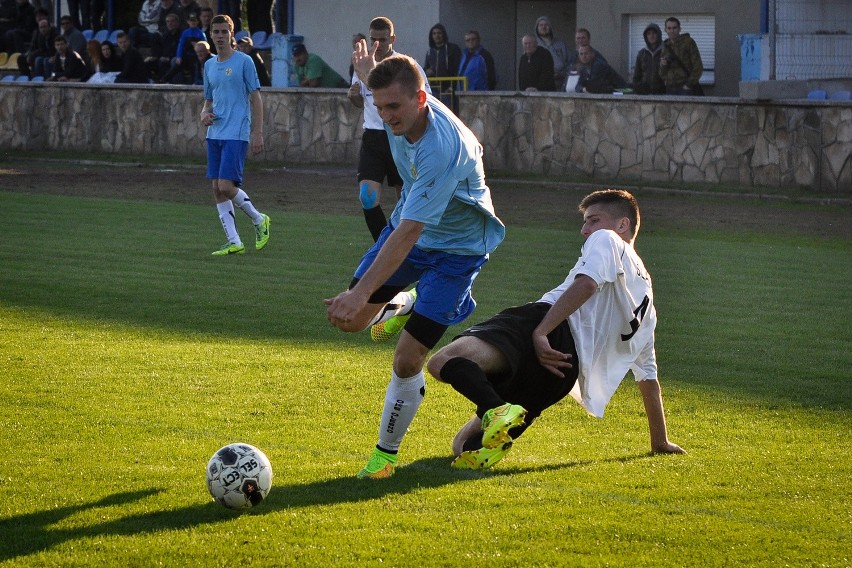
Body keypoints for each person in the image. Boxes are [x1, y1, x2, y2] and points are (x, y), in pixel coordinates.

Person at [325, 52, 505, 480]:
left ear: (421, 99)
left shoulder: (442, 148)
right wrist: (371, 67)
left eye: (394, 107)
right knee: (351, 323)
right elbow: (406, 232)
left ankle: (385, 457)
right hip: (413, 226)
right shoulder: (398, 101)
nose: (386, 116)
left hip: (458, 251)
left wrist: (360, 292)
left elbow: (407, 235)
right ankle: (413, 302)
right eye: (380, 106)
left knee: (407, 361)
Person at [427, 189, 686, 470]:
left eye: (593, 220)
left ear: (622, 225)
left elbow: (586, 284)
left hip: (545, 327)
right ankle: (498, 411)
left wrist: (541, 332)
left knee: (443, 361)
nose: (585, 230)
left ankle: (496, 409)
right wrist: (660, 441)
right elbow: (648, 379)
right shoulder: (647, 309)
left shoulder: (608, 239)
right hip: (562, 373)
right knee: (462, 447)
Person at [348, 16, 431, 242]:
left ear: (392, 38)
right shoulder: (363, 64)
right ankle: (383, 246)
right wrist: (353, 96)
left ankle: (410, 246)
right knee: (367, 197)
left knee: (404, 199)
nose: (377, 45)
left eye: (382, 40)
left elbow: (427, 101)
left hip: (401, 137)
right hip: (373, 137)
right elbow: (360, 102)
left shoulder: (406, 67)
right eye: (373, 39)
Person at [200, 14, 270, 256]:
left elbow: (256, 98)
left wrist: (258, 132)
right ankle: (234, 241)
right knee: (217, 188)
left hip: (236, 132)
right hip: (215, 132)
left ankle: (259, 219)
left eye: (223, 32)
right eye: (215, 32)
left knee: (227, 186)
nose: (219, 36)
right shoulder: (208, 65)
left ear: (232, 34)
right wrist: (203, 114)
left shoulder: (244, 62)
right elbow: (208, 99)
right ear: (210, 35)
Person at [659, 16, 704, 96]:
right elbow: (662, 73)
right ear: (665, 30)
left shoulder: (688, 42)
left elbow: (698, 66)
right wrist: (663, 65)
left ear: (679, 29)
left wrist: (688, 85)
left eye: (674, 28)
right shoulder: (665, 46)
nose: (672, 31)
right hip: (670, 89)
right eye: (669, 28)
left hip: (686, 89)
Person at [159, 12, 205, 84]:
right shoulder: (185, 33)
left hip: (196, 56)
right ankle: (166, 79)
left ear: (197, 22)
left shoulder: (200, 33)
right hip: (186, 55)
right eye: (191, 21)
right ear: (188, 22)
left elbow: (205, 45)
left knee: (195, 67)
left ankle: (195, 81)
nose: (192, 23)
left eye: (194, 21)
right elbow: (181, 45)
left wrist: (198, 47)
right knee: (177, 66)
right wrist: (179, 56)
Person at [423, 23, 461, 105]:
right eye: (434, 33)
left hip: (449, 89)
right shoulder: (430, 52)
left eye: (439, 33)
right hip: (434, 90)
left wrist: (452, 87)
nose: (437, 36)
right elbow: (425, 69)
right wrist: (427, 72)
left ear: (443, 34)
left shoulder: (453, 49)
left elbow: (457, 69)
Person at [534, 16, 569, 92]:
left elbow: (570, 64)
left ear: (550, 27)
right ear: (537, 28)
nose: (544, 27)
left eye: (546, 25)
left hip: (561, 85)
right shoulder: (533, 45)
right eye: (541, 25)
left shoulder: (561, 44)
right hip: (542, 87)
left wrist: (561, 74)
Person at [632, 23, 665, 95]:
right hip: (645, 93)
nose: (651, 36)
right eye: (649, 34)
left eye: (654, 33)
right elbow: (636, 75)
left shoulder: (666, 51)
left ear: (658, 34)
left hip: (662, 92)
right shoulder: (642, 53)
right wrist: (637, 88)